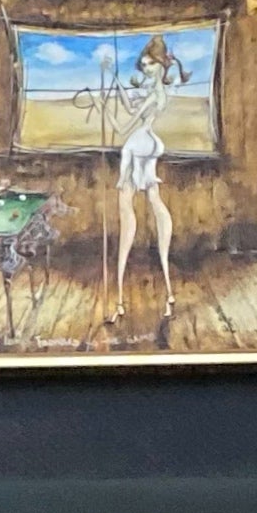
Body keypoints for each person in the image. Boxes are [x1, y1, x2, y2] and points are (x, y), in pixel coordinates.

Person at [104, 34, 181, 342]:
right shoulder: (159, 91)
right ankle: (169, 290)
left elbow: (123, 126)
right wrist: (113, 78)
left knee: (128, 216)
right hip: (150, 144)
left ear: (161, 65)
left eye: (150, 64)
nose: (146, 69)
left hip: (137, 146)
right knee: (154, 201)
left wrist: (105, 112)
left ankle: (120, 299)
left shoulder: (154, 93)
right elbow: (128, 101)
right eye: (145, 64)